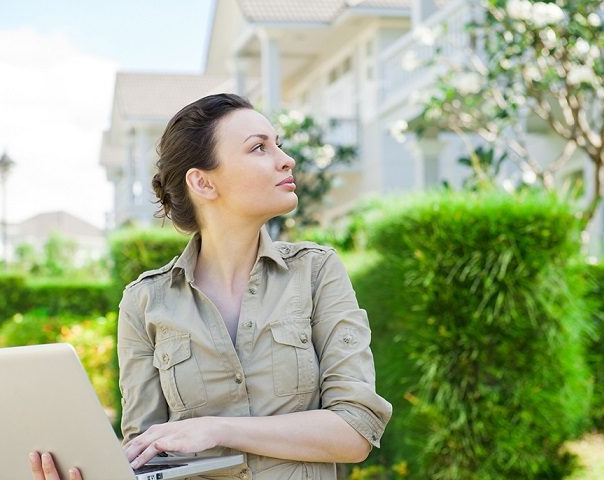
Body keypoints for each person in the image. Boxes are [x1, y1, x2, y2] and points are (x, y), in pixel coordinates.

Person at [29, 93, 392, 480]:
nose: (286, 160)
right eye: (258, 148)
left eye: (278, 145)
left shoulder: (317, 271)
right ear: (202, 182)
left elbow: (354, 429)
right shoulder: (145, 301)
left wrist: (218, 428)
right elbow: (145, 454)